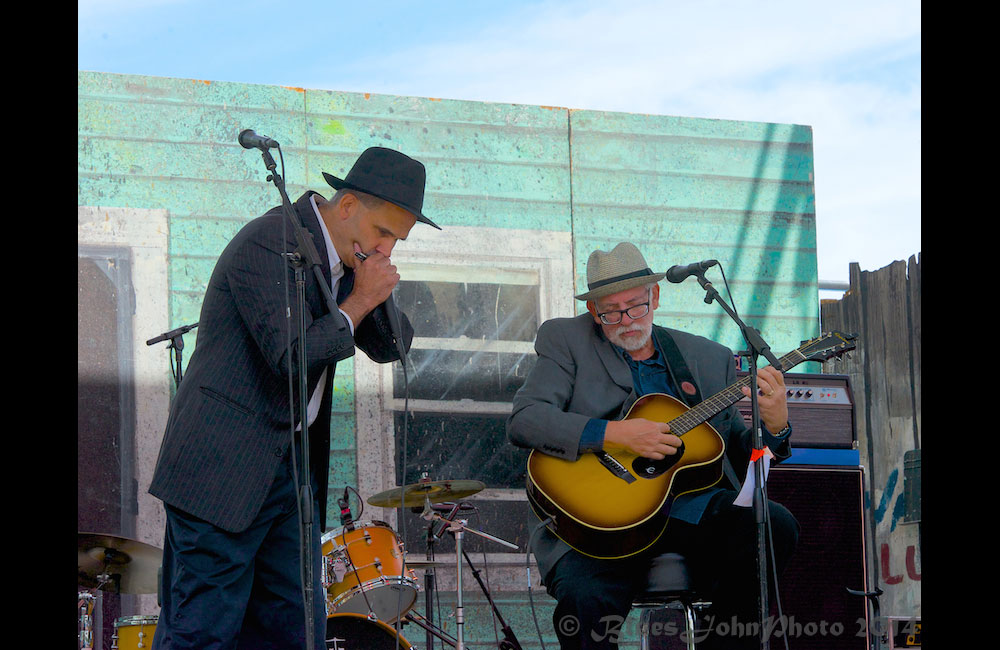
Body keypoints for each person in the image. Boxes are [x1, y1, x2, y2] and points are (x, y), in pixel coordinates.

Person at [148, 147, 440, 649]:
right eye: (384, 233)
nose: (388, 249)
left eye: (397, 241)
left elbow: (393, 347)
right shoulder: (270, 242)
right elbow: (290, 355)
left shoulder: (345, 264)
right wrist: (360, 299)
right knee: (204, 629)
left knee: (290, 629)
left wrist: (371, 289)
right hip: (224, 471)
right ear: (346, 206)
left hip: (291, 474)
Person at [507, 242, 800, 650]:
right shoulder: (566, 340)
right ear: (594, 312)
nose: (626, 320)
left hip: (689, 511)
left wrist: (775, 427)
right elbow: (525, 420)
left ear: (655, 296)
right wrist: (616, 435)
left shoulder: (705, 357)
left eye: (636, 306)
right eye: (611, 311)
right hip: (600, 522)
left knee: (774, 526)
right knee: (584, 603)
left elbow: (734, 455)